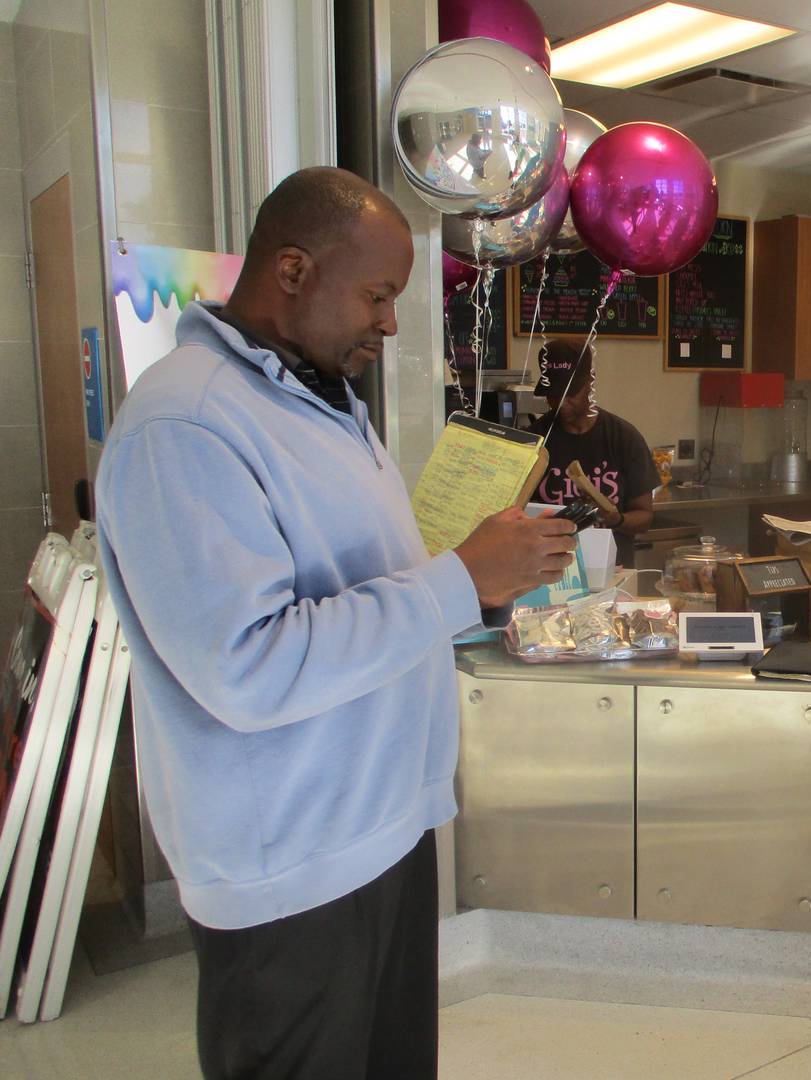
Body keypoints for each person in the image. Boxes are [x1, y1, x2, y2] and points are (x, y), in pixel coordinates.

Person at [95, 167, 577, 1079]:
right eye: (378, 294)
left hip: (381, 833)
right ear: (291, 270)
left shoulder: (318, 403)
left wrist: (482, 587)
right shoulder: (186, 425)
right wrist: (456, 581)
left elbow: (371, 592)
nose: (390, 322)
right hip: (293, 874)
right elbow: (248, 665)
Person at [529, 337, 661, 566]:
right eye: (552, 394)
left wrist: (616, 519)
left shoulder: (624, 438)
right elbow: (516, 517)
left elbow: (644, 517)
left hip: (613, 570)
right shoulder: (535, 441)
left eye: (569, 393)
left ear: (589, 382)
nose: (560, 403)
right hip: (551, 575)